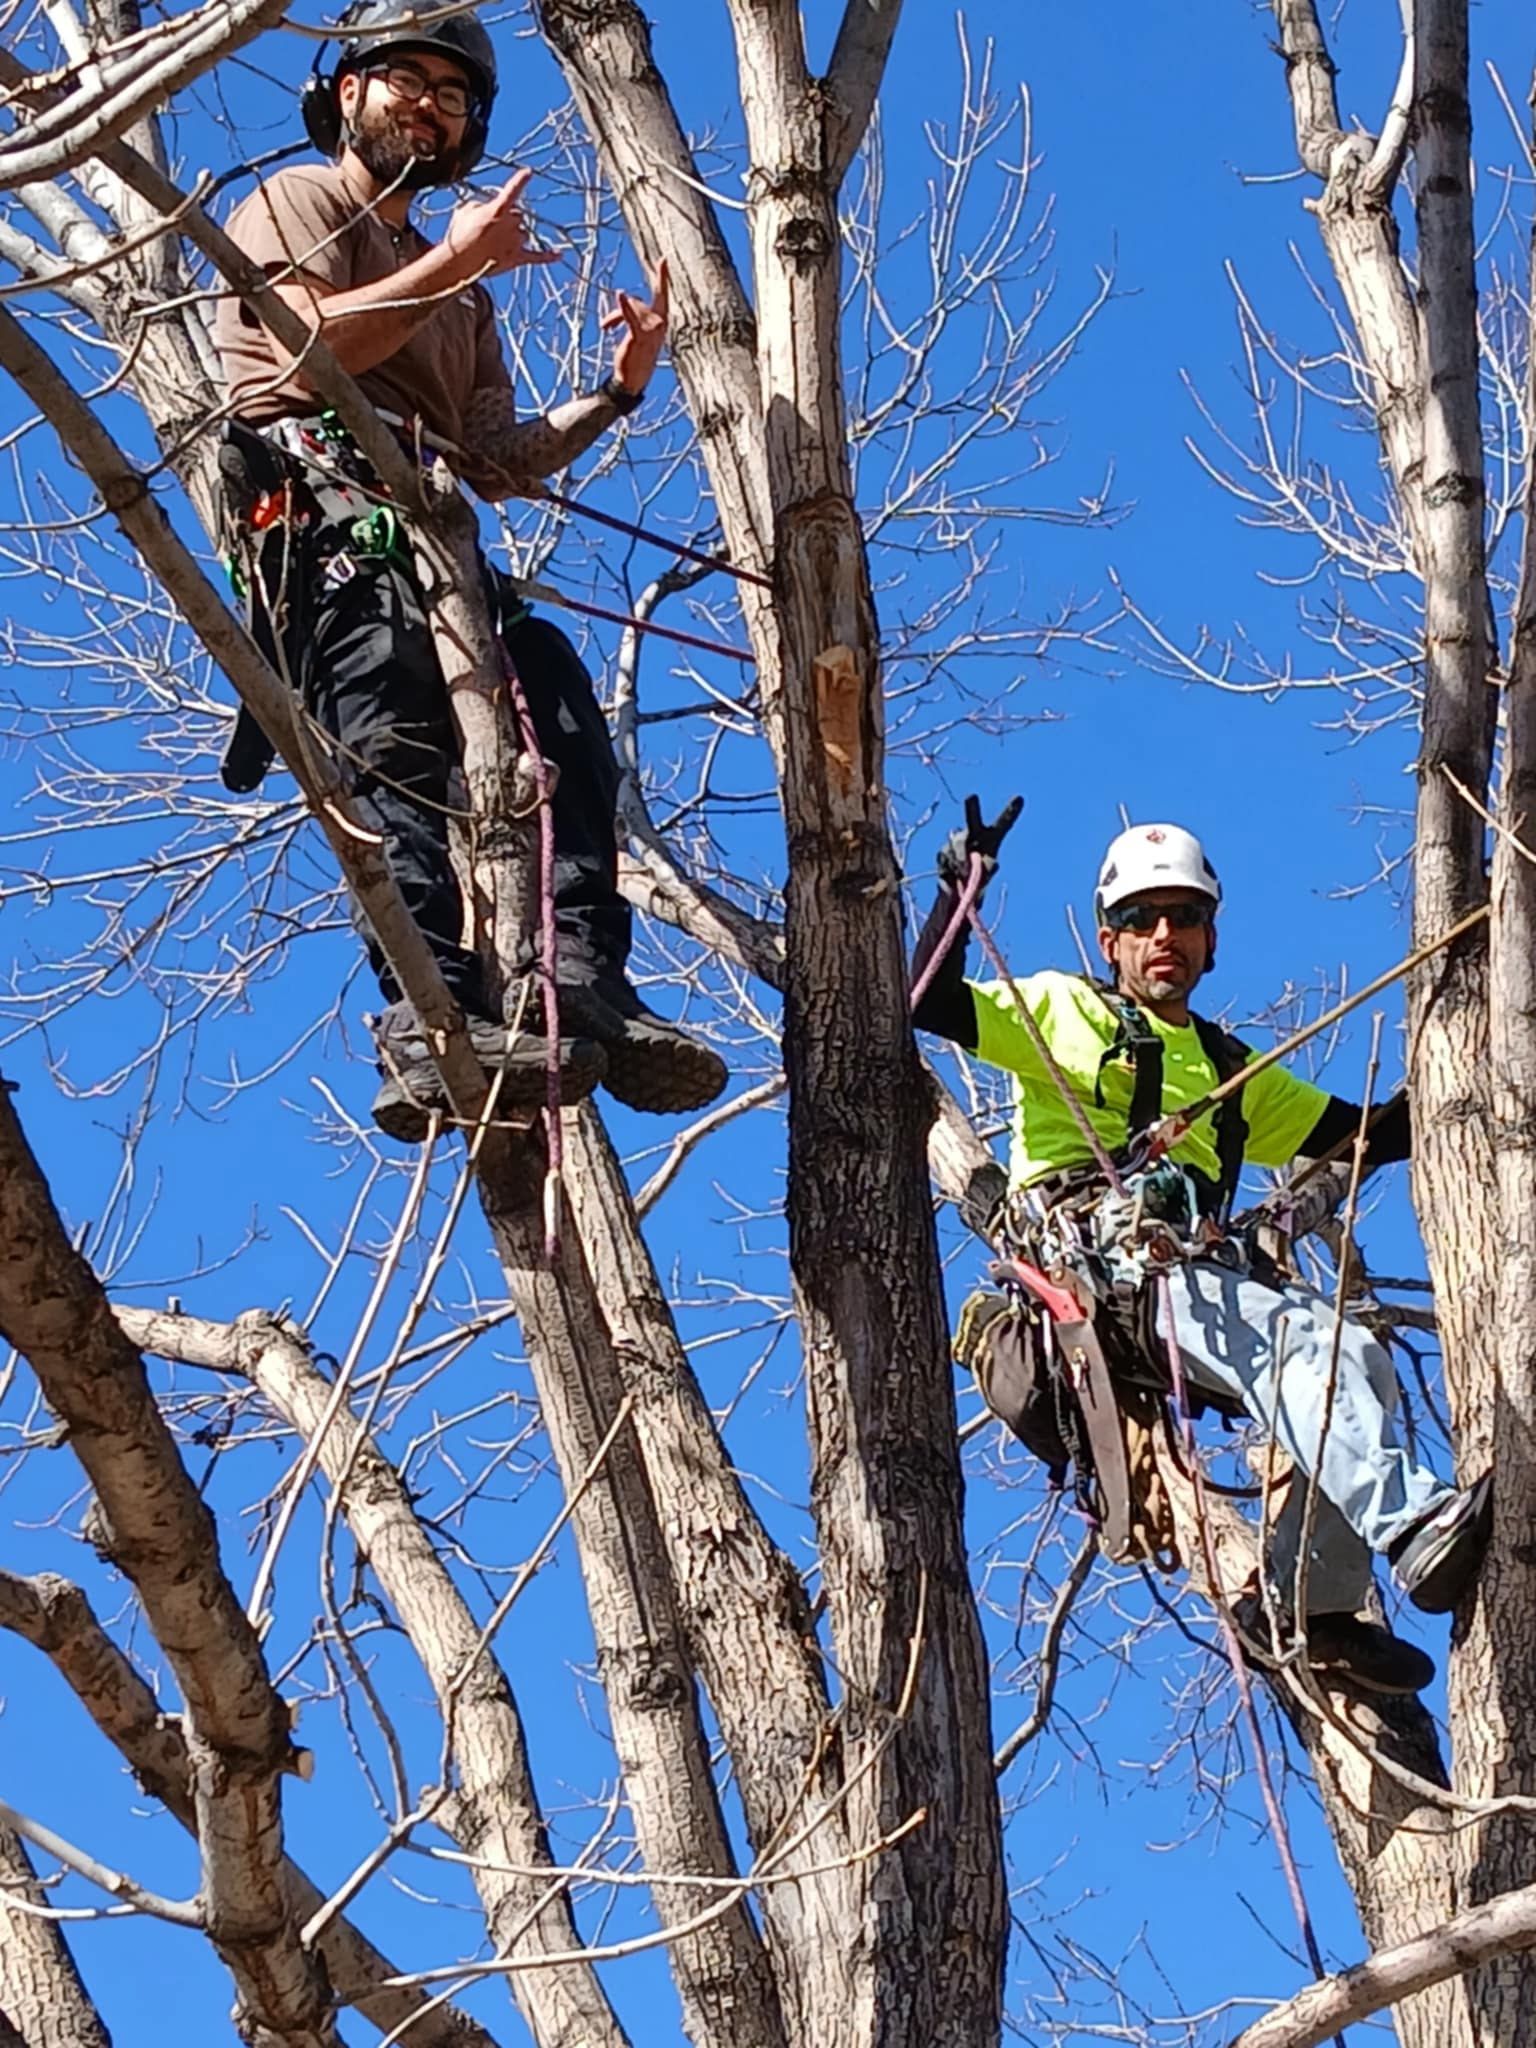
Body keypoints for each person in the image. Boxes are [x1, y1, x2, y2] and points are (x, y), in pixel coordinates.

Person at [212, 0, 727, 1139]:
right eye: (408, 82)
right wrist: (453, 261)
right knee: (391, 739)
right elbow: (299, 347)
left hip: (438, 545)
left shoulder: (466, 294)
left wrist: (618, 388)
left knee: (560, 709)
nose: (430, 109)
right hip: (323, 529)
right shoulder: (297, 203)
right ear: (347, 92)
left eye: (453, 97)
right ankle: (425, 1015)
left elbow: (495, 458)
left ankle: (577, 976)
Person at [913, 804, 1492, 1695]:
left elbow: (1365, 1132)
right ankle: (1414, 1527)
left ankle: (1314, 1604)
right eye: (1141, 919)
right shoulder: (1063, 1010)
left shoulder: (1230, 1073)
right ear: (1108, 939)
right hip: (1109, 1281)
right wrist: (958, 892)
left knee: (1355, 1354)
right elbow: (931, 1002)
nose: (1163, 934)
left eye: (1182, 915)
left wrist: (1472, 1053)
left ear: (1210, 936)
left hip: (1196, 1282)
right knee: (1307, 1343)